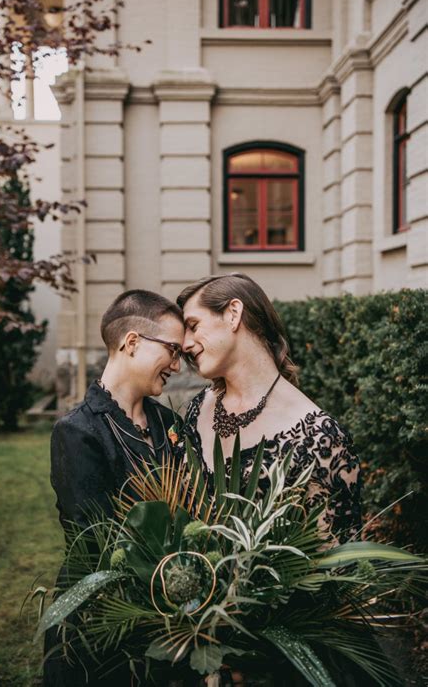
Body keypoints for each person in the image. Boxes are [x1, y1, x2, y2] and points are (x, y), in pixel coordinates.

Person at [43, 289, 184, 687]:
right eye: (172, 350)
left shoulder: (169, 424)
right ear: (132, 342)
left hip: (175, 610)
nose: (176, 363)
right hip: (101, 623)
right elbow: (96, 540)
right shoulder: (77, 432)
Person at [177, 273, 361, 546]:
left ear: (233, 314)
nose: (185, 344)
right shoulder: (198, 408)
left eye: (193, 325)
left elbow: (337, 566)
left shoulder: (319, 437)